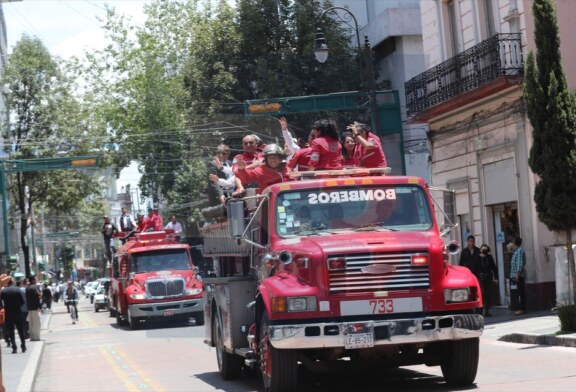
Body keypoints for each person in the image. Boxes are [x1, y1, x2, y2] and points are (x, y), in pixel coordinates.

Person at [1, 276, 26, 354]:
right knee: (20, 331)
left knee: (11, 331)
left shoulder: (4, 291)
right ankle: (23, 346)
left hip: (8, 314)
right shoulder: (17, 289)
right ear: (12, 282)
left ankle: (14, 347)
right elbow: (22, 302)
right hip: (18, 312)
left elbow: (2, 303)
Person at [478, 244, 498, 317]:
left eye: (485, 250)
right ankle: (480, 310)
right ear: (480, 250)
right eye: (483, 249)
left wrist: (496, 278)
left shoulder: (489, 257)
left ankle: (486, 311)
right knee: (483, 293)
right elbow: (474, 268)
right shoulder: (478, 258)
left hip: (489, 277)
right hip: (481, 278)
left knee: (488, 294)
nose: (484, 251)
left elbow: (494, 267)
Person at [510, 236, 527, 315]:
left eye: (512, 242)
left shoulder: (519, 251)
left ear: (514, 243)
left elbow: (519, 263)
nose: (511, 244)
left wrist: (517, 274)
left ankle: (522, 308)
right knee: (518, 292)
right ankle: (519, 307)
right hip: (516, 275)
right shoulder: (516, 251)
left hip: (518, 275)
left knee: (520, 292)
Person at [25, 275, 42, 341]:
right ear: (32, 280)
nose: (36, 280)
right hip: (35, 308)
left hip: (29, 308)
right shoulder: (35, 287)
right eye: (35, 279)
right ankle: (36, 337)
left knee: (31, 323)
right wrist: (40, 306)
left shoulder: (27, 288)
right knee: (36, 323)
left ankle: (32, 337)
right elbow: (38, 297)